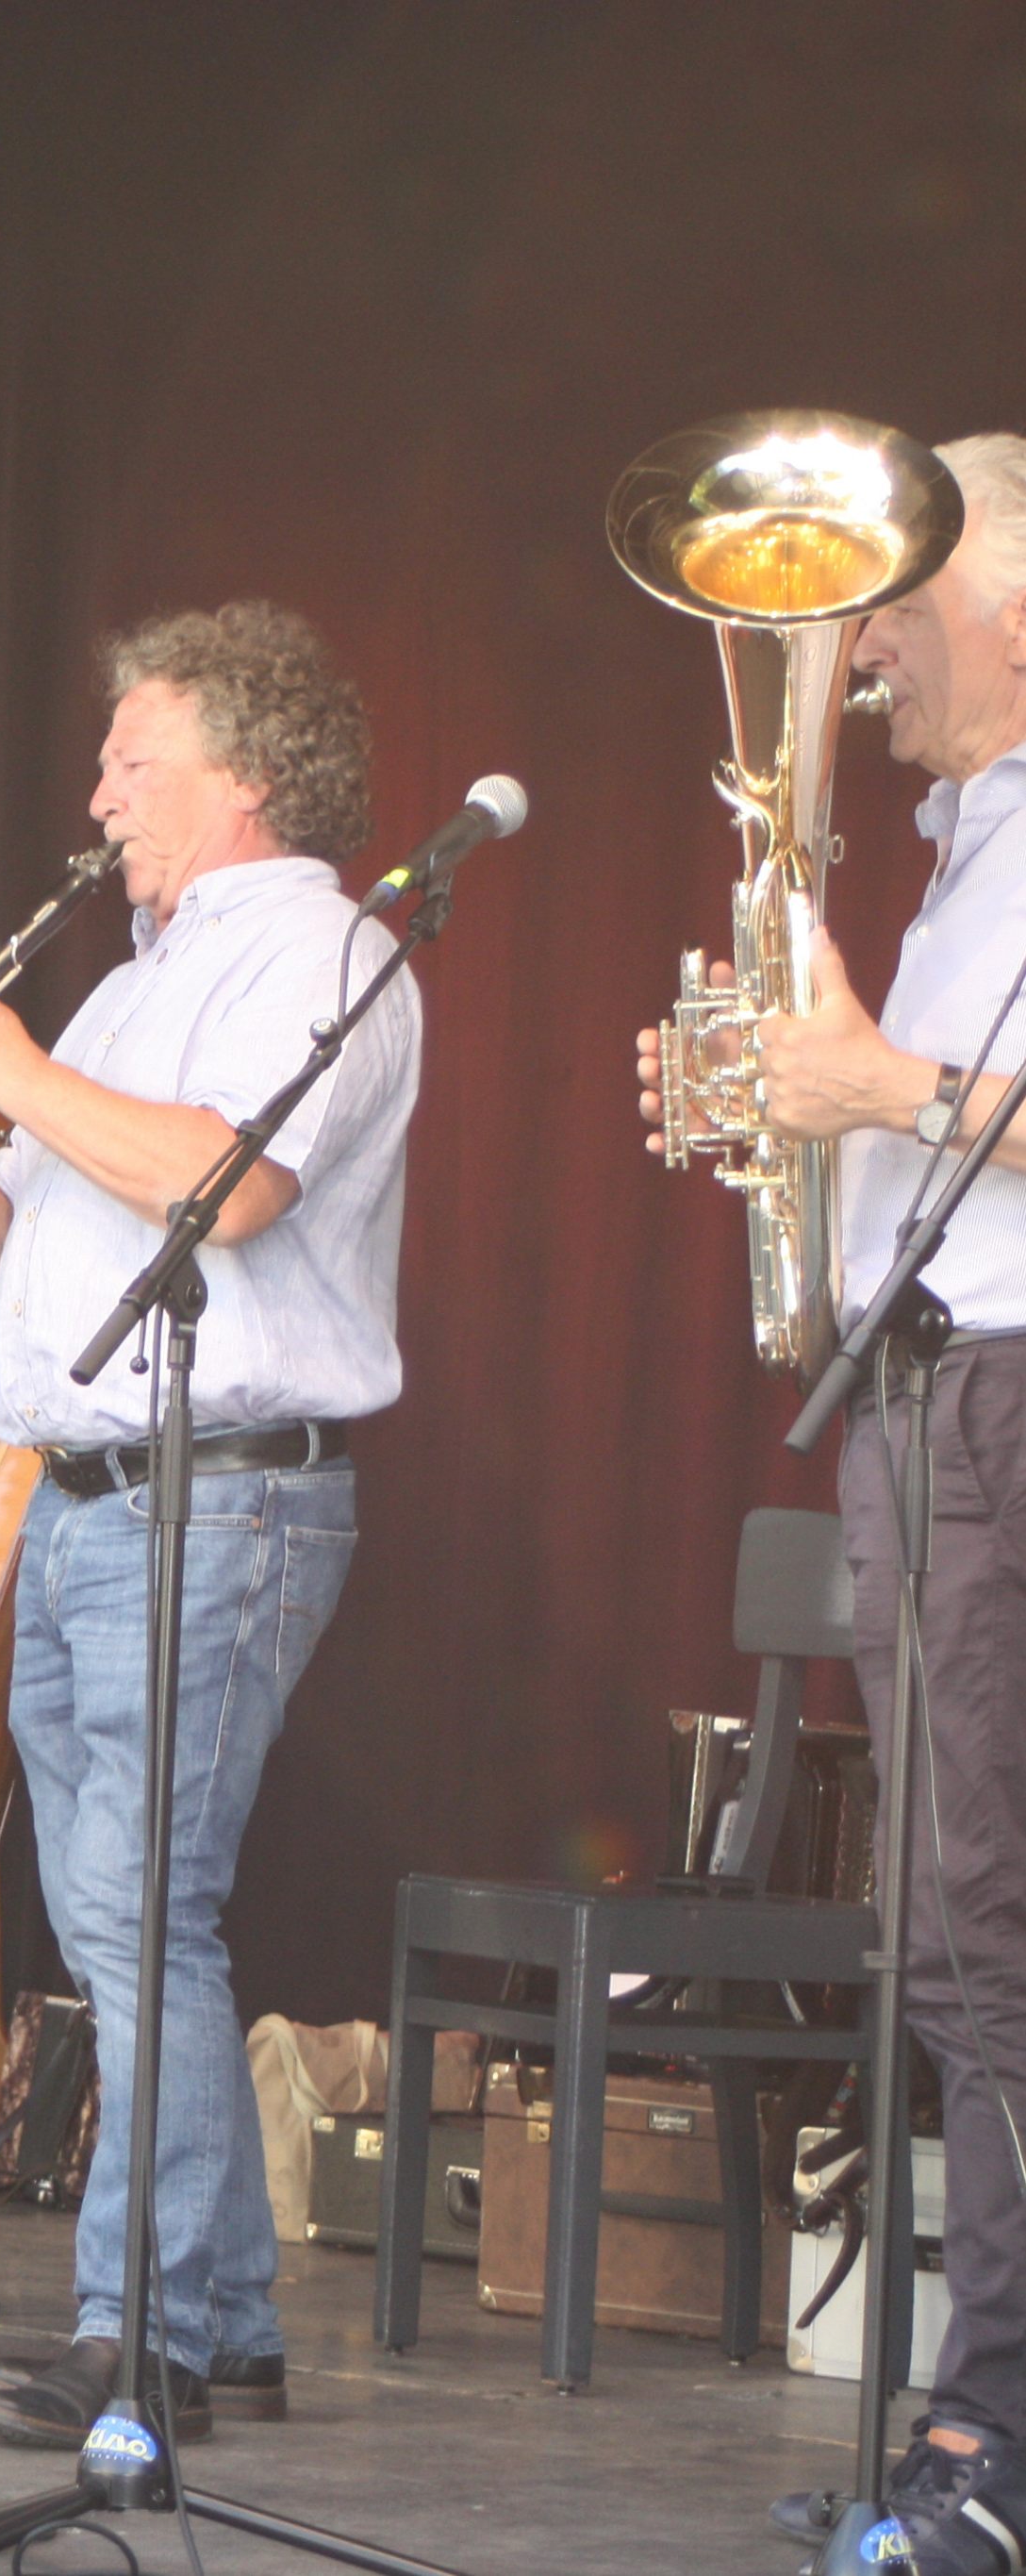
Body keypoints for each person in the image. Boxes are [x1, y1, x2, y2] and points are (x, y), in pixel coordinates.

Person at [0, 601, 415, 2447]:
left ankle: (129, 2327)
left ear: (241, 774)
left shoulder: (332, 948)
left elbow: (218, 1188)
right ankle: (220, 2323)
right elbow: (41, 1246)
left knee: (146, 1910)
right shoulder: (134, 981)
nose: (94, 791)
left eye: (128, 759)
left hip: (216, 1496)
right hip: (84, 1496)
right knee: (125, 1920)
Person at [649, 434, 1026, 2572]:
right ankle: (974, 2425)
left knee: (994, 1945)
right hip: (919, 1403)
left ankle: (998, 2440)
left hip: (1001, 1404)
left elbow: (963, 1124)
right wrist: (765, 1106)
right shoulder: (969, 854)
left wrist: (872, 1088)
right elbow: (921, 1143)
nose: (857, 641)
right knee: (959, 1949)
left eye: (898, 599)